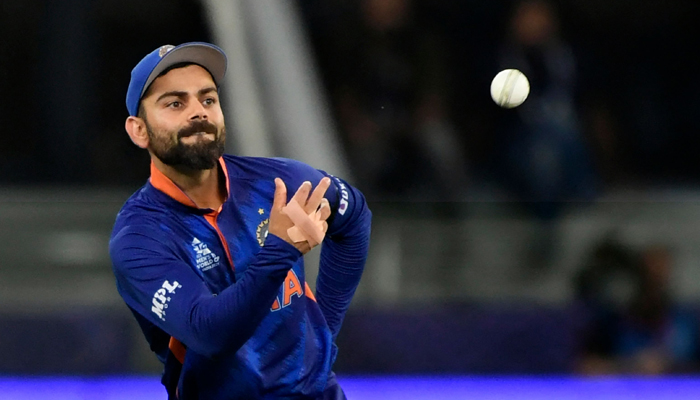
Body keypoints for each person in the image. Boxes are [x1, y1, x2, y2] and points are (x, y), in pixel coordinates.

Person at [109, 42, 372, 400]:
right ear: (138, 130)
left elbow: (354, 216)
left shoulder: (280, 182)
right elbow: (209, 333)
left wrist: (322, 326)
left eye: (208, 100)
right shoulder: (139, 237)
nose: (198, 113)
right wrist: (280, 248)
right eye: (175, 103)